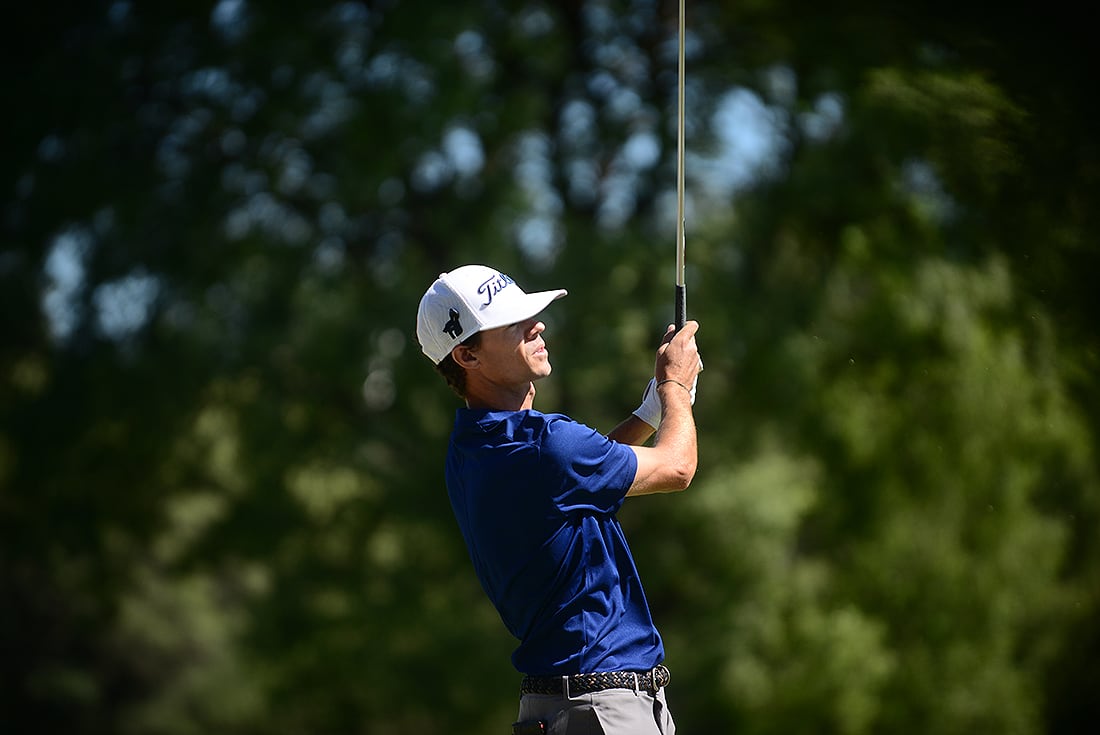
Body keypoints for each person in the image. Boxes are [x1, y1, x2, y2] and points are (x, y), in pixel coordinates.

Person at [416, 264, 701, 735]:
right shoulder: (547, 445)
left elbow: (577, 483)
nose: (537, 324)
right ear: (467, 356)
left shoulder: (470, 447)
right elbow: (677, 467)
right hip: (606, 709)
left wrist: (650, 411)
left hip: (556, 708)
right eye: (513, 324)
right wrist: (676, 389)